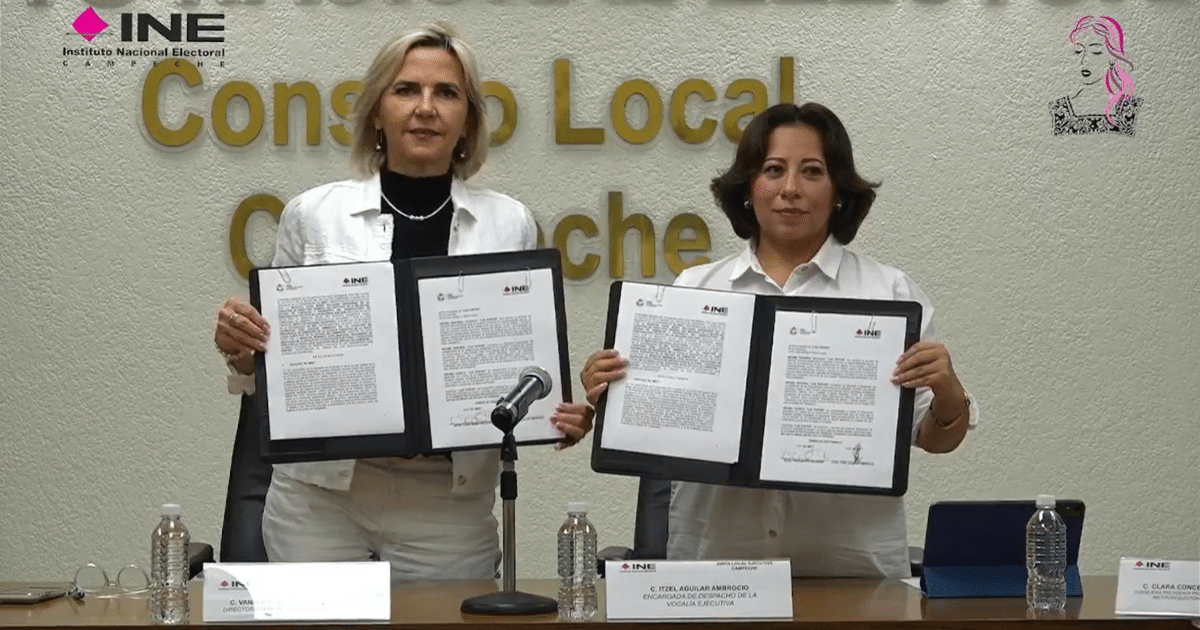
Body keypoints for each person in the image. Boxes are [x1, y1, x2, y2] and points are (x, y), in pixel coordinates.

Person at [211, 22, 594, 581]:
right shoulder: (313, 215)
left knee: (447, 621)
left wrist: (553, 412)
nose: (426, 108)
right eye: (406, 89)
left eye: (447, 93)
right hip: (321, 496)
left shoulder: (509, 222)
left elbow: (514, 357)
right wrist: (243, 352)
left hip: (447, 501)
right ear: (376, 111)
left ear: (468, 119)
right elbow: (271, 370)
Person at [580, 102, 979, 578]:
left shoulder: (888, 294)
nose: (791, 188)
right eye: (773, 170)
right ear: (748, 188)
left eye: (812, 171)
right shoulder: (695, 290)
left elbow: (933, 438)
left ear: (838, 191)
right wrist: (616, 393)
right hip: (716, 572)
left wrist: (949, 392)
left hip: (852, 574)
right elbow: (659, 419)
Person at [1050, 15, 1140, 136]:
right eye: (1078, 51)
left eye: (1095, 52)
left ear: (1112, 57)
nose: (1084, 60)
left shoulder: (1131, 108)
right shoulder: (1059, 109)